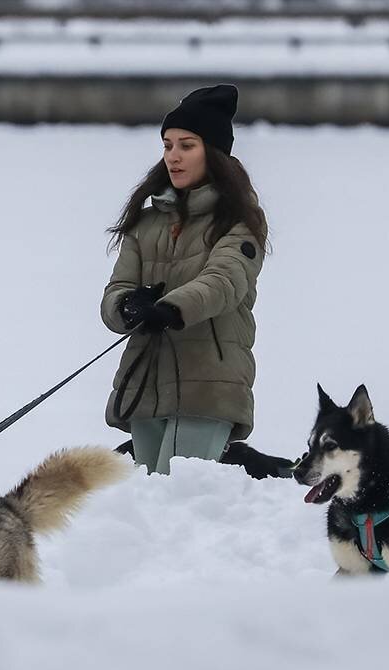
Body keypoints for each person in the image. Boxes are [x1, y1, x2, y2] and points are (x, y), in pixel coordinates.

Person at [100, 84, 269, 475]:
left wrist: (171, 308)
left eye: (186, 145)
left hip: (208, 387)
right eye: (167, 145)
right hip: (143, 387)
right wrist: (127, 306)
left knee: (183, 499)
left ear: (213, 153)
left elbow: (224, 282)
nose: (173, 157)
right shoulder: (146, 222)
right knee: (148, 503)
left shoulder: (240, 223)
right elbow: (116, 289)